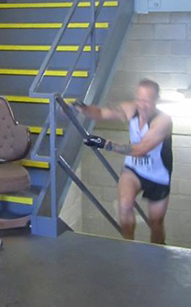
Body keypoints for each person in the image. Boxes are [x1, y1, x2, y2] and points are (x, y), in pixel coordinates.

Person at [74, 78, 172, 245]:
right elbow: (101, 113)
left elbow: (140, 150)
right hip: (133, 170)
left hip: (158, 175)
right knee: (125, 206)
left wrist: (105, 144)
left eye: (147, 101)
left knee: (156, 223)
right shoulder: (130, 108)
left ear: (156, 100)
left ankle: (158, 253)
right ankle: (128, 247)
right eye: (139, 99)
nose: (142, 105)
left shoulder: (163, 121)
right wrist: (82, 108)